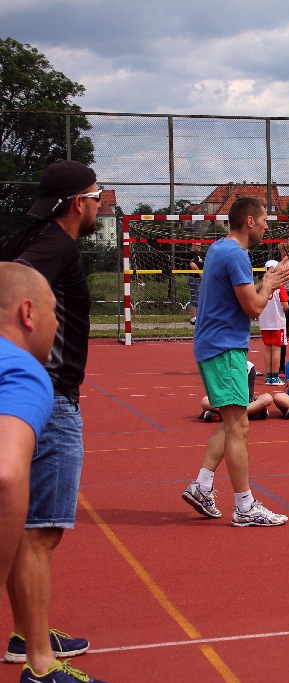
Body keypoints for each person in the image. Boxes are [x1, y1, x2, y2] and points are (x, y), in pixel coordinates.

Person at [0, 160, 106, 683]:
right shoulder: (55, 247)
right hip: (51, 398)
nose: (101, 203)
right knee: (40, 533)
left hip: (35, 395)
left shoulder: (28, 238)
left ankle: (30, 636)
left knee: (26, 530)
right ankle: (40, 666)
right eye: (97, 194)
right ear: (77, 204)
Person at [182, 195, 289, 529]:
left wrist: (271, 278)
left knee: (233, 421)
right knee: (239, 426)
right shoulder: (235, 253)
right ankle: (244, 506)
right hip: (223, 347)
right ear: (249, 221)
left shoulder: (220, 249)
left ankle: (203, 486)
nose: (267, 224)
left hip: (217, 344)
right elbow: (253, 307)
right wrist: (271, 281)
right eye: (264, 218)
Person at [0, 264, 61, 678]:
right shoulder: (21, 372)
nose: (58, 324)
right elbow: (5, 475)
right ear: (28, 313)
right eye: (54, 311)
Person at [198, 362, 272, 422]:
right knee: (205, 401)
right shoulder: (218, 367)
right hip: (225, 401)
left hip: (243, 401)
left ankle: (222, 416)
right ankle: (250, 414)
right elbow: (217, 393)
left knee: (267, 398)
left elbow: (247, 396)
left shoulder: (249, 367)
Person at [258, 260, 289, 385]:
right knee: (276, 349)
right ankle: (275, 377)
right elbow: (285, 306)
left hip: (264, 321)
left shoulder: (261, 287)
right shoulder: (279, 286)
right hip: (277, 321)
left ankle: (269, 376)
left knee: (268, 348)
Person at [181, 242, 203, 325]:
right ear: (193, 246)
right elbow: (193, 265)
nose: (199, 247)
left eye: (200, 246)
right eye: (198, 246)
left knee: (198, 297)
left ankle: (197, 316)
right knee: (195, 297)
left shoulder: (197, 255)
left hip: (197, 278)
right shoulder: (192, 254)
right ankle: (193, 318)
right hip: (194, 278)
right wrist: (201, 275)